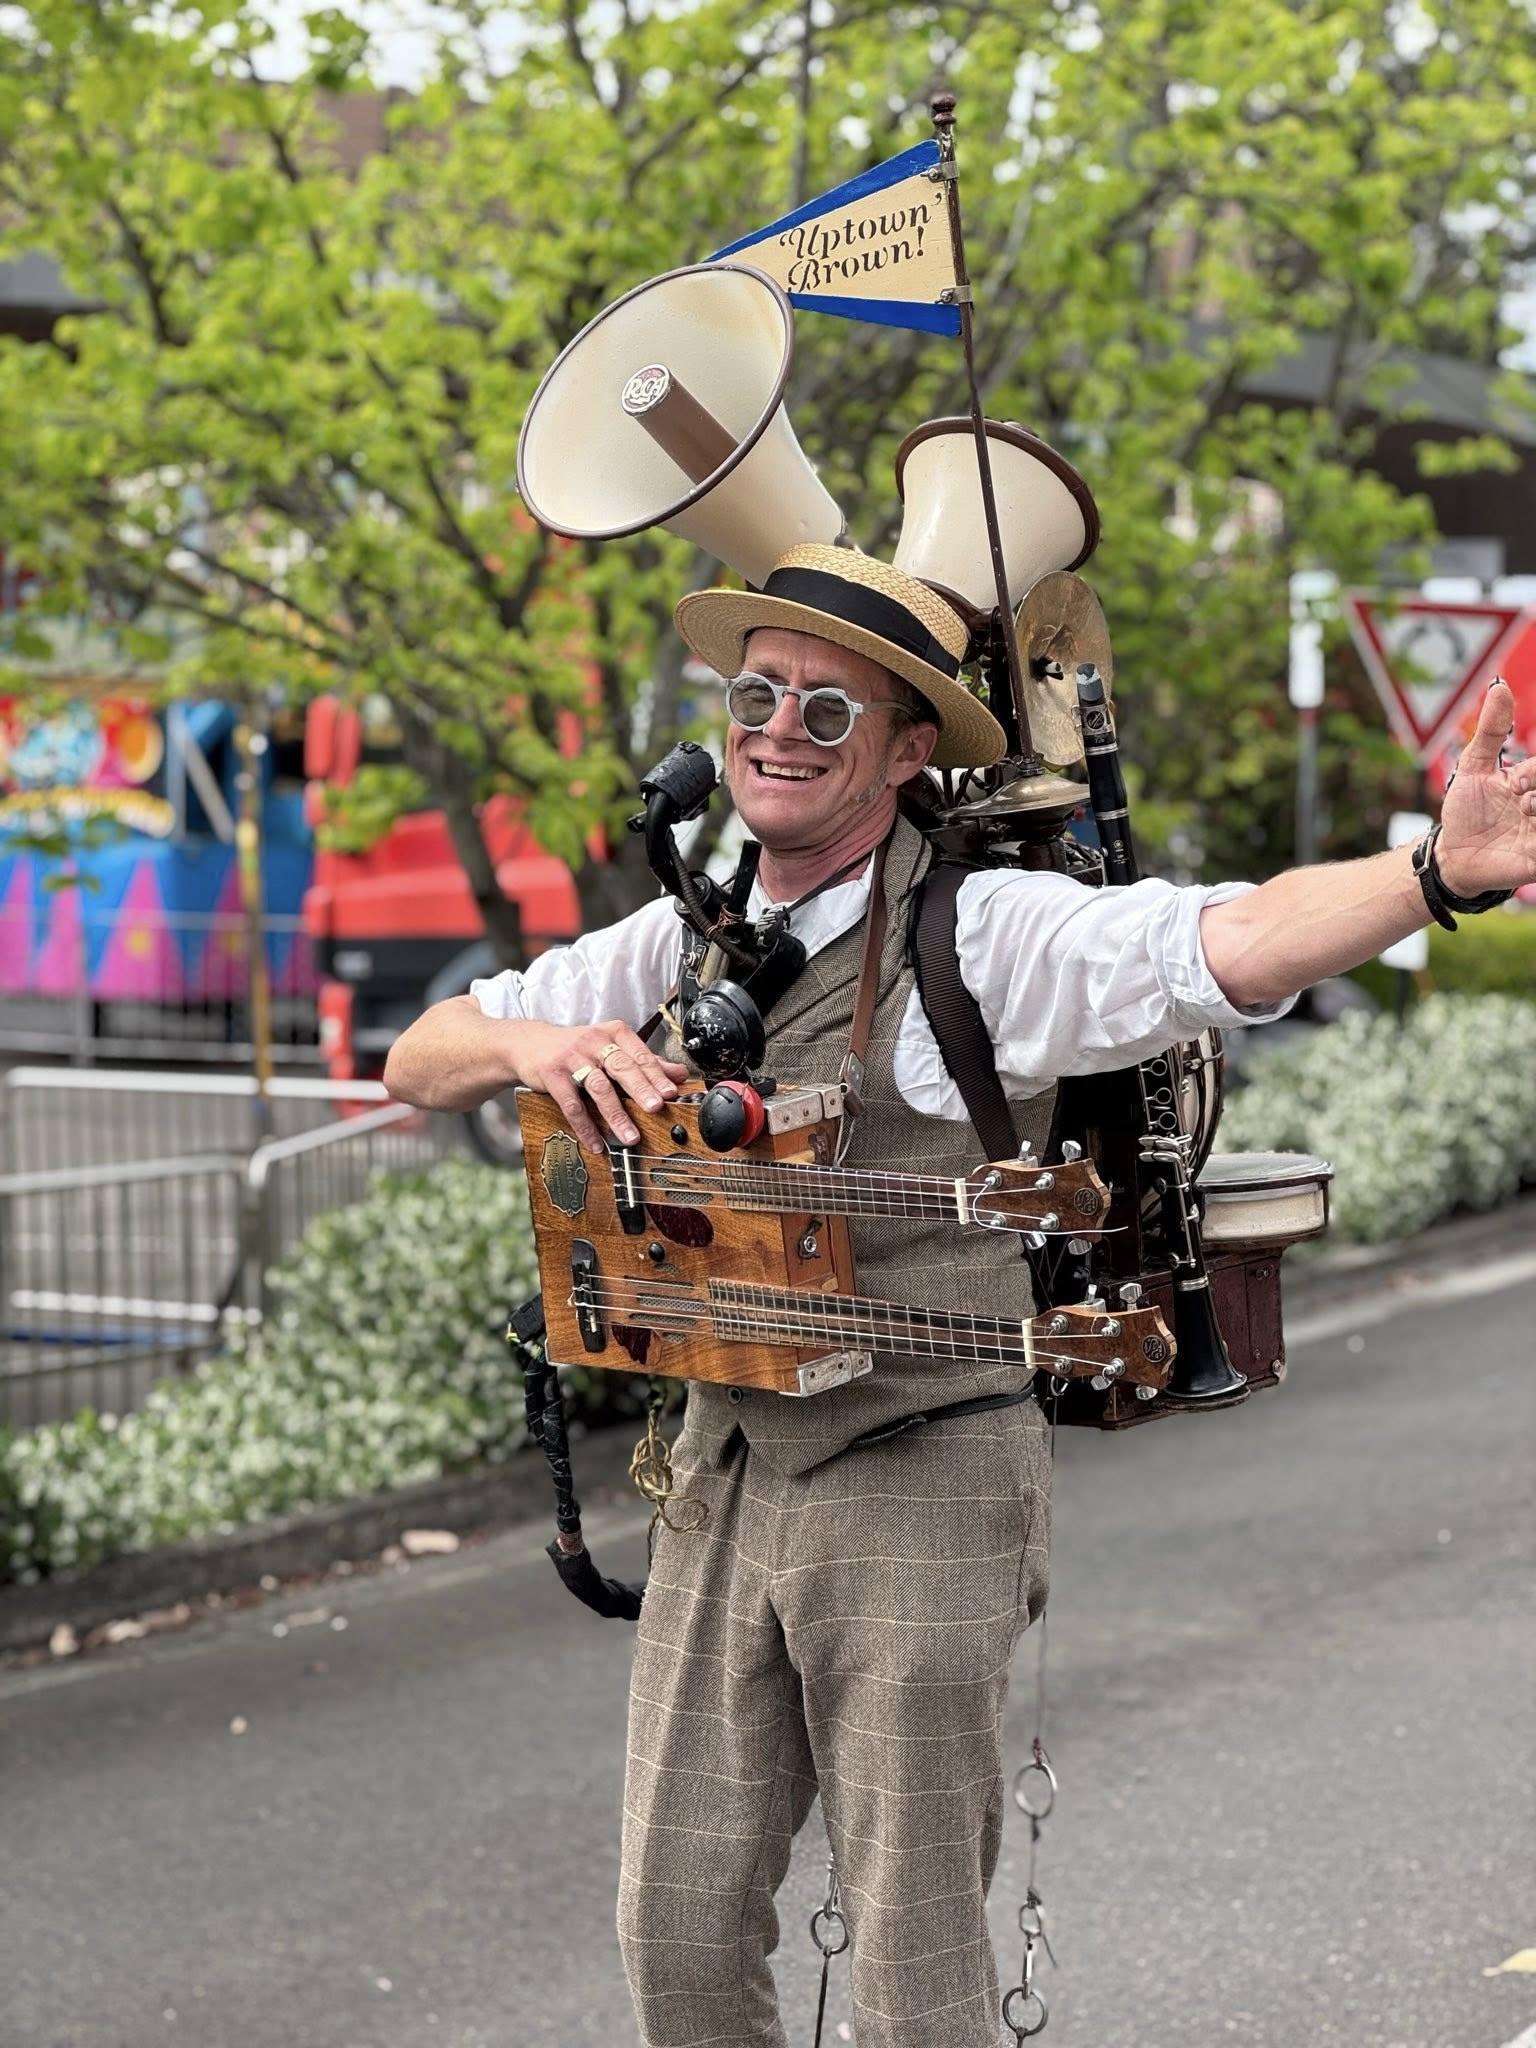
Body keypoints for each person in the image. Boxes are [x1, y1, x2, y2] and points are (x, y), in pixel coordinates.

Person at [384, 543, 1536, 2048]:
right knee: (673, 1926)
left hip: (930, 1463)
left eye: (829, 710)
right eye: (757, 695)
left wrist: (1437, 873)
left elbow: (1226, 943)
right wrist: (532, 1046)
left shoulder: (983, 933)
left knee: (914, 1959)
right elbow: (420, 1056)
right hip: (723, 1465)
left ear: (907, 749)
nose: (780, 731)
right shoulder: (679, 935)